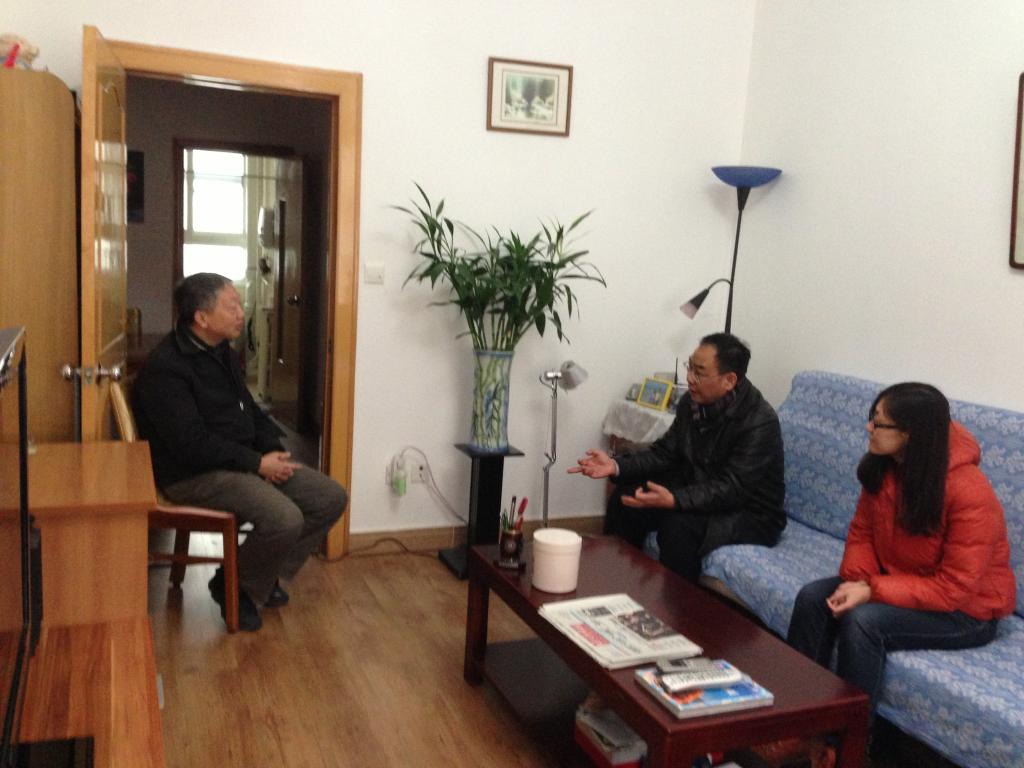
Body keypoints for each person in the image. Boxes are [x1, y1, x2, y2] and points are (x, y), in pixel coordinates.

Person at [133, 272, 348, 631]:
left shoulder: (222, 352)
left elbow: (250, 411)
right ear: (202, 318)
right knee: (284, 517)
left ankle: (254, 575)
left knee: (329, 497)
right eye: (231, 306)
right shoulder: (166, 368)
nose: (240, 312)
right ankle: (240, 586)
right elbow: (191, 444)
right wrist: (256, 463)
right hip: (192, 474)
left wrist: (273, 451)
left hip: (241, 460)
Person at [786, 382, 1015, 715]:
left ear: (909, 433)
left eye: (878, 423)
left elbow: (953, 589)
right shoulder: (885, 467)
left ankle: (847, 736)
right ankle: (794, 716)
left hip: (965, 611)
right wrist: (859, 581)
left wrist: (871, 591)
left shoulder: (969, 492)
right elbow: (862, 533)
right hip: (903, 583)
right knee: (812, 598)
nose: (869, 428)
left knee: (863, 622)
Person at [569, 333, 785, 581]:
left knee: (678, 526)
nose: (689, 378)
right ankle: (616, 583)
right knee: (626, 500)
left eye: (699, 372)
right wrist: (617, 466)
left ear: (729, 380)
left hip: (749, 513)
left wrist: (675, 500)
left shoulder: (760, 422)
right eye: (689, 367)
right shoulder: (691, 404)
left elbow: (732, 488)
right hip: (701, 490)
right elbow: (665, 453)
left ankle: (678, 604)